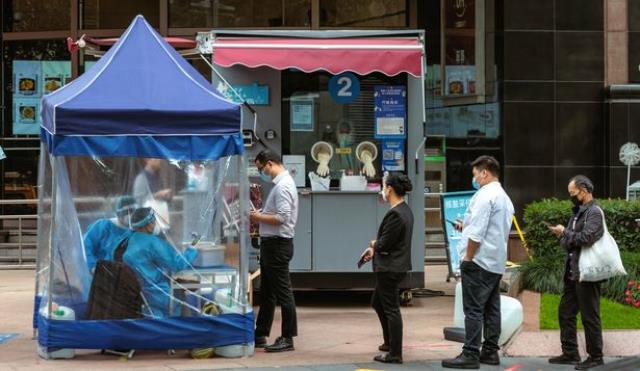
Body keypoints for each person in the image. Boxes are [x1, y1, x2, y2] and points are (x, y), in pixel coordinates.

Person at [442, 155, 514, 369]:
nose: (474, 179)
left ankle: (470, 353)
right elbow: (491, 228)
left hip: (478, 261)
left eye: (475, 175)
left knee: (472, 309)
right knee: (492, 308)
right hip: (495, 262)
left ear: (484, 172)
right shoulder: (504, 197)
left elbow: (477, 234)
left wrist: (468, 257)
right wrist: (466, 226)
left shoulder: (485, 196)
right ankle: (490, 351)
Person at [547, 175, 605, 370]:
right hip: (572, 273)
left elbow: (587, 237)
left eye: (573, 193)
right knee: (565, 313)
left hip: (587, 273)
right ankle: (570, 353)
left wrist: (565, 233)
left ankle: (596, 357)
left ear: (583, 190)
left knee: (590, 316)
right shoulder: (577, 213)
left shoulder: (594, 212)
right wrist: (565, 235)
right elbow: (568, 242)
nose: (571, 196)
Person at [360, 173, 414, 364]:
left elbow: (385, 243)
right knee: (378, 302)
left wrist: (374, 243)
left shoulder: (396, 214)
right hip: (396, 265)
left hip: (390, 268)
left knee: (391, 309)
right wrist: (376, 247)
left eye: (384, 186)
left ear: (390, 189)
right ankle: (389, 342)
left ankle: (395, 352)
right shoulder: (405, 210)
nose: (382, 190)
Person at [250, 149, 299, 352]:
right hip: (272, 245)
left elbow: (282, 217)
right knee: (268, 292)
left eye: (261, 168)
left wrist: (256, 217)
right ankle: (260, 333)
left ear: (270, 164)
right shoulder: (280, 185)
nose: (262, 172)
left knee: (283, 293)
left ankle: (287, 337)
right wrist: (260, 213)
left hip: (278, 245)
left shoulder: (283, 186)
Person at [118, 207, 198, 317]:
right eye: (153, 221)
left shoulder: (130, 240)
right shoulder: (152, 242)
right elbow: (177, 264)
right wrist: (193, 247)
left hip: (141, 296)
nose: (155, 224)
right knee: (182, 292)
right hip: (159, 296)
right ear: (147, 224)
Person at [83, 195, 137, 272]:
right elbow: (85, 247)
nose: (131, 215)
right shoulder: (103, 226)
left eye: (134, 211)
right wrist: (93, 266)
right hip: (101, 275)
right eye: (127, 212)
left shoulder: (137, 232)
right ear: (118, 214)